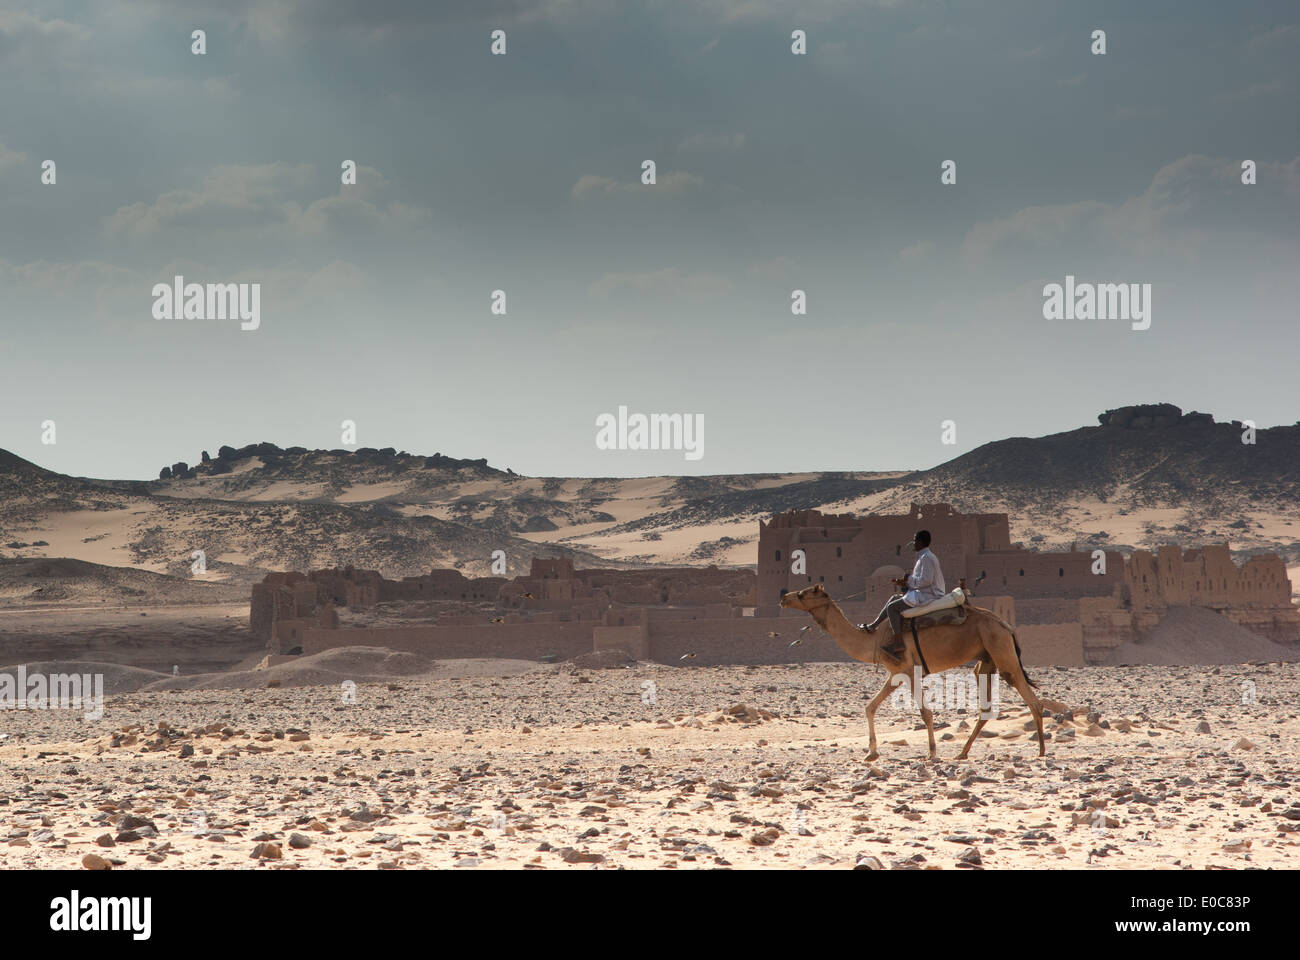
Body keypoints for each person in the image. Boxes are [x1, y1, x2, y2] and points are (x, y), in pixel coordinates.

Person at [861, 529, 945, 656]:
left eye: (915, 540)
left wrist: (908, 580)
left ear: (921, 542)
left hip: (929, 594)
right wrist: (905, 582)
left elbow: (926, 580)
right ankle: (873, 626)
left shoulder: (927, 558)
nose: (914, 543)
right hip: (923, 592)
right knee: (894, 598)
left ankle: (899, 643)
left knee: (892, 608)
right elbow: (921, 580)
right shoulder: (924, 557)